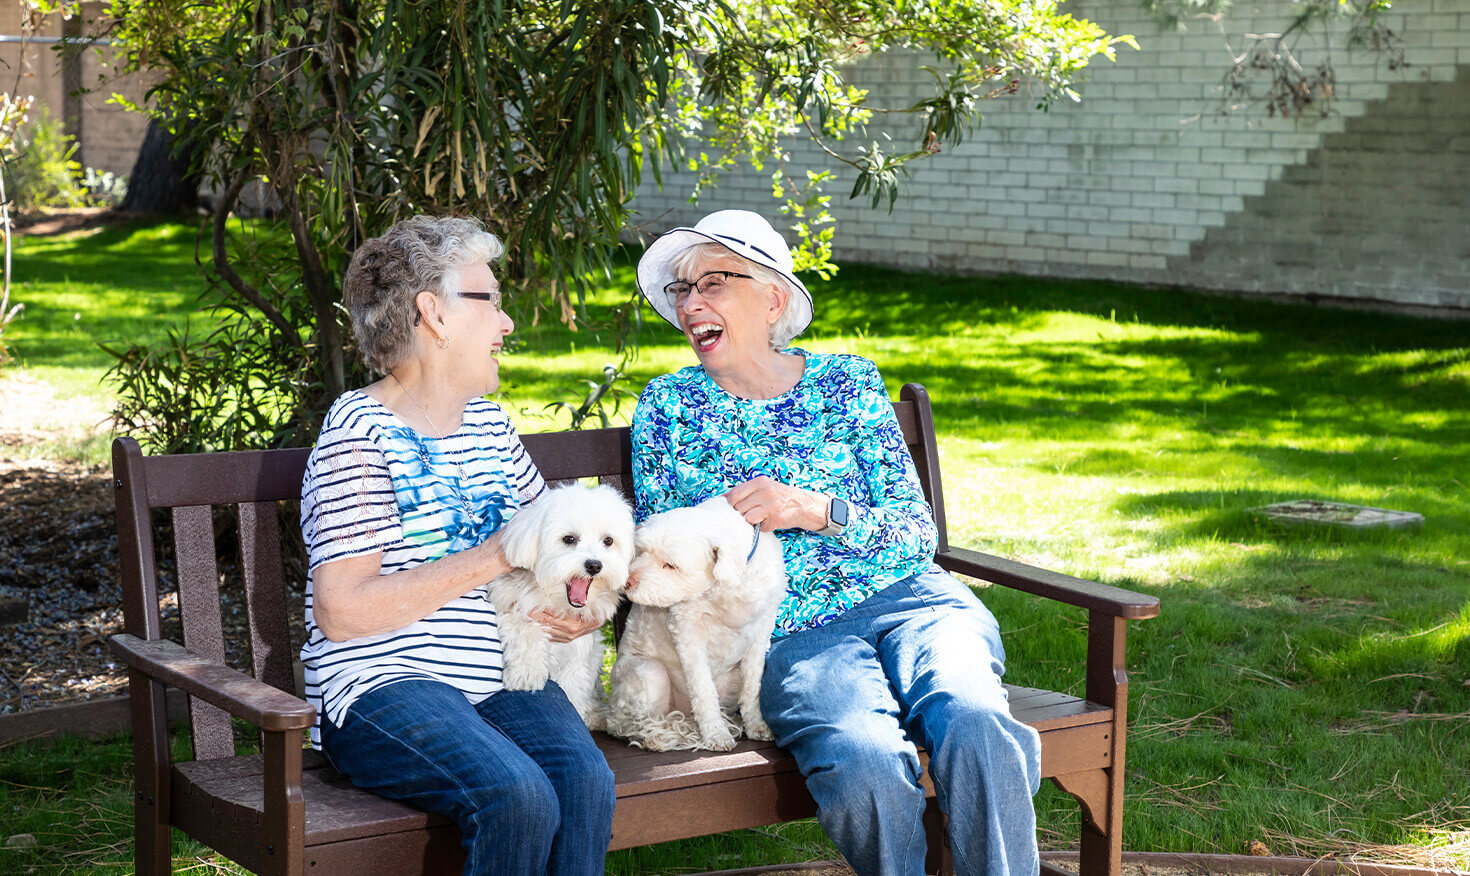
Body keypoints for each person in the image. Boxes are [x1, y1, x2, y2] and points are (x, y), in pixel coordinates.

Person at [629, 210, 1042, 876]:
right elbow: (665, 557)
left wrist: (817, 510)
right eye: (682, 289)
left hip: (915, 602)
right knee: (865, 758)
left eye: (713, 282)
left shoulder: (847, 383)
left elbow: (915, 533)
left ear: (773, 299)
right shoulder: (667, 406)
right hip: (789, 633)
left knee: (975, 721)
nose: (690, 302)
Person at [298, 215, 614, 874]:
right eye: (490, 300)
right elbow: (343, 610)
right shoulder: (359, 436)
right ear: (433, 314)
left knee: (586, 785)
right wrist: (497, 554)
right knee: (517, 797)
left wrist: (577, 609)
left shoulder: (490, 428)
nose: (507, 323)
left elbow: (551, 547)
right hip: (386, 687)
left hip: (495, 678)